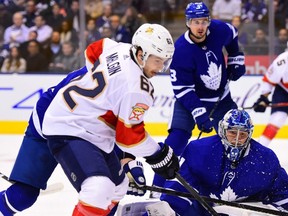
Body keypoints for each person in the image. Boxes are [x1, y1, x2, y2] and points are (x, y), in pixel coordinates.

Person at [42, 23, 179, 216]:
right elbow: (129, 138)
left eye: (165, 61)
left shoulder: (118, 47)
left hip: (87, 128)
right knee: (98, 188)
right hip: (70, 127)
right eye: (157, 61)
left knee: (118, 186)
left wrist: (100, 88)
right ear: (141, 55)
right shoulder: (138, 88)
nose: (162, 67)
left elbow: (93, 49)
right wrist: (158, 155)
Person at [0, 65, 147, 215]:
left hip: (82, 131)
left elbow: (117, 127)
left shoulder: (129, 83)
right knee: (22, 196)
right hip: (46, 125)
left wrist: (127, 160)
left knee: (108, 194)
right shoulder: (110, 76)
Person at [151, 1, 246, 193]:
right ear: (188, 23)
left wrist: (236, 59)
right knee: (177, 139)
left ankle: (242, 183)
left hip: (222, 100)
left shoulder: (219, 30)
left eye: (204, 21)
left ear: (209, 21)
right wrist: (200, 114)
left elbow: (233, 35)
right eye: (196, 22)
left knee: (237, 137)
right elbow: (183, 90)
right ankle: (158, 186)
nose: (200, 27)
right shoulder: (181, 51)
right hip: (190, 101)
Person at [158, 109, 288, 215]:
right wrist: (172, 209)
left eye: (242, 134)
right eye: (232, 132)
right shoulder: (200, 150)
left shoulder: (265, 158)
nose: (236, 139)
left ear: (249, 134)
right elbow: (179, 189)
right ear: (222, 130)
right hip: (203, 209)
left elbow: (283, 194)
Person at [252, 49, 288, 147]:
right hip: (284, 92)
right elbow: (269, 80)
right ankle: (259, 149)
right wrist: (263, 98)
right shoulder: (282, 61)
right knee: (277, 119)